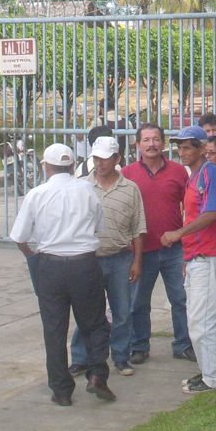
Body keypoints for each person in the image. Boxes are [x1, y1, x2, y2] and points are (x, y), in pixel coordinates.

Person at [10, 143, 116, 405]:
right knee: (94, 324)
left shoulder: (37, 194)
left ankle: (61, 390)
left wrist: (33, 257)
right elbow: (99, 227)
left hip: (51, 264)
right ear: (72, 166)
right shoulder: (87, 190)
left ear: (45, 167)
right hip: (84, 264)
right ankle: (97, 374)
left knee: (54, 329)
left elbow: (20, 237)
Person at [69, 136, 146, 378]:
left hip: (120, 258)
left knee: (122, 311)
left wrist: (137, 261)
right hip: (89, 259)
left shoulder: (130, 189)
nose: (100, 163)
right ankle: (81, 358)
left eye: (105, 159)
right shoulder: (81, 186)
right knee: (86, 311)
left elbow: (138, 228)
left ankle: (121, 357)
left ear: (117, 159)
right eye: (96, 158)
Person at [162, 125, 216, 393]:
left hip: (208, 257)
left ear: (202, 148)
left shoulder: (210, 173)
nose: (183, 151)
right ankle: (207, 372)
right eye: (180, 146)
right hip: (196, 258)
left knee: (202, 323)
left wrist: (179, 233)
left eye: (188, 146)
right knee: (197, 322)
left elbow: (213, 212)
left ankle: (214, 377)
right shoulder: (195, 175)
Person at [122, 123, 195, 365]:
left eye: (156, 139)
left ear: (163, 143)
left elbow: (189, 207)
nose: (151, 144)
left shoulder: (179, 171)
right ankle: (139, 346)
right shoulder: (127, 173)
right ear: (137, 144)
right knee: (138, 303)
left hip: (174, 249)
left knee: (181, 299)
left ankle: (183, 344)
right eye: (146, 140)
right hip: (141, 251)